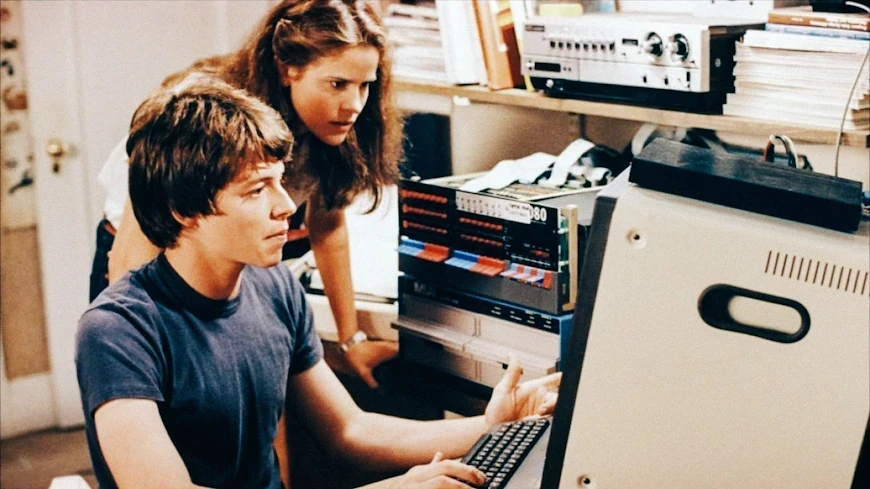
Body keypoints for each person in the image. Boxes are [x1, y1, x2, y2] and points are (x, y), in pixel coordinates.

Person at [76, 80, 559, 489]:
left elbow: (350, 431)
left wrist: (493, 424)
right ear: (185, 210)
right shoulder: (117, 330)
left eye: (280, 181)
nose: (287, 206)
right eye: (256, 189)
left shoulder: (275, 288)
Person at [91, 0, 405, 388]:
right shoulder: (202, 114)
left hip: (227, 261)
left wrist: (350, 339)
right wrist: (130, 344)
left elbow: (327, 226)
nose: (354, 105)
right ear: (287, 69)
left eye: (365, 85)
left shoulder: (330, 125)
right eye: (338, 84)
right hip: (148, 255)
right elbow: (133, 259)